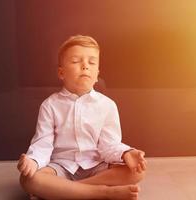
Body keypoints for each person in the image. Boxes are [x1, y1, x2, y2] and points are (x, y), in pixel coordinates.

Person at [17, 35, 147, 200]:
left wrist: (126, 153)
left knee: (135, 172)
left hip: (96, 167)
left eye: (92, 62)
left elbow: (110, 145)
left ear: (97, 73)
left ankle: (63, 191)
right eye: (75, 61)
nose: (85, 66)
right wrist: (33, 161)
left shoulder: (107, 105)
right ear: (61, 72)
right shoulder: (50, 105)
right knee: (28, 179)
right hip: (61, 167)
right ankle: (103, 193)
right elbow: (43, 143)